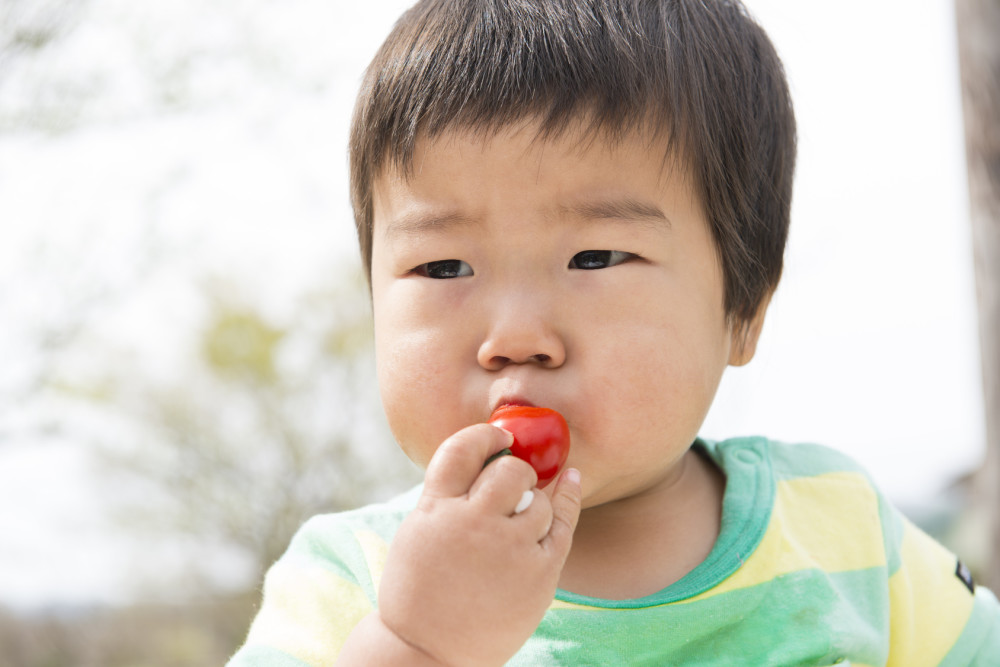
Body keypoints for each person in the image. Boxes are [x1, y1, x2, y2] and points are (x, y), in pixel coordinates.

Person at [228, 0, 1000, 664]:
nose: (517, 336)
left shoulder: (841, 530)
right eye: (444, 266)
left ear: (745, 308)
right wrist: (415, 643)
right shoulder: (346, 584)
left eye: (593, 256)